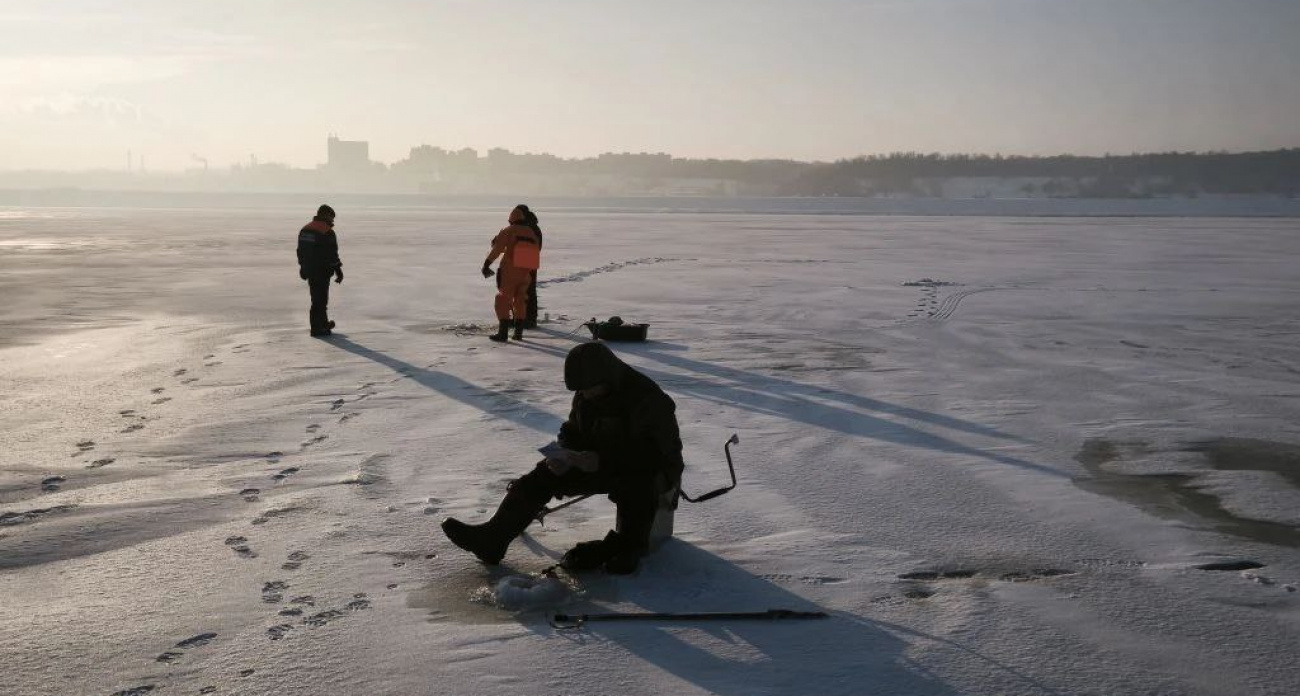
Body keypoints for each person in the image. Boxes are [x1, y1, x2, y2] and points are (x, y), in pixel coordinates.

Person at [441, 342, 684, 574]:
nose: (584, 395)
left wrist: (603, 460)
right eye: (581, 390)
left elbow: (657, 456)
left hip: (651, 471)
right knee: (544, 473)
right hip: (598, 461)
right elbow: (572, 432)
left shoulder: (648, 399)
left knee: (638, 483)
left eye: (589, 389)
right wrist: (562, 454)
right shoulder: (586, 392)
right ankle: (492, 539)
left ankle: (629, 545)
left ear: (607, 378)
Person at [481, 204, 541, 342]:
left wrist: (486, 264)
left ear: (511, 219)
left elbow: (497, 249)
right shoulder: (531, 232)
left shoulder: (509, 231)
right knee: (521, 301)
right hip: (526, 274)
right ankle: (518, 333)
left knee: (502, 300)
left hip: (509, 272)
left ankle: (503, 333)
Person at [296, 204, 344, 337]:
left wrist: (303, 267)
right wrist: (338, 271)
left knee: (317, 297)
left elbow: (301, 251)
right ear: (325, 215)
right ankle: (317, 328)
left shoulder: (305, 229)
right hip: (322, 270)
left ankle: (323, 324)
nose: (332, 221)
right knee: (320, 300)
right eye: (331, 217)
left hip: (310, 270)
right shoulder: (327, 231)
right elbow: (332, 254)